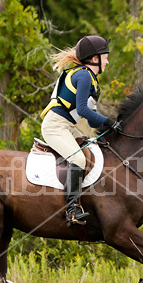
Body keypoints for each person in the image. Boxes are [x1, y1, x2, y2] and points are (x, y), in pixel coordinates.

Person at [40, 35, 122, 226]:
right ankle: (72, 210)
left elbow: (92, 122)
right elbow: (83, 110)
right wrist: (110, 123)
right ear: (95, 59)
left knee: (90, 149)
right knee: (78, 158)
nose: (108, 61)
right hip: (55, 126)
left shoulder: (92, 80)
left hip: (67, 126)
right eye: (105, 56)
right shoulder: (84, 75)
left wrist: (116, 128)